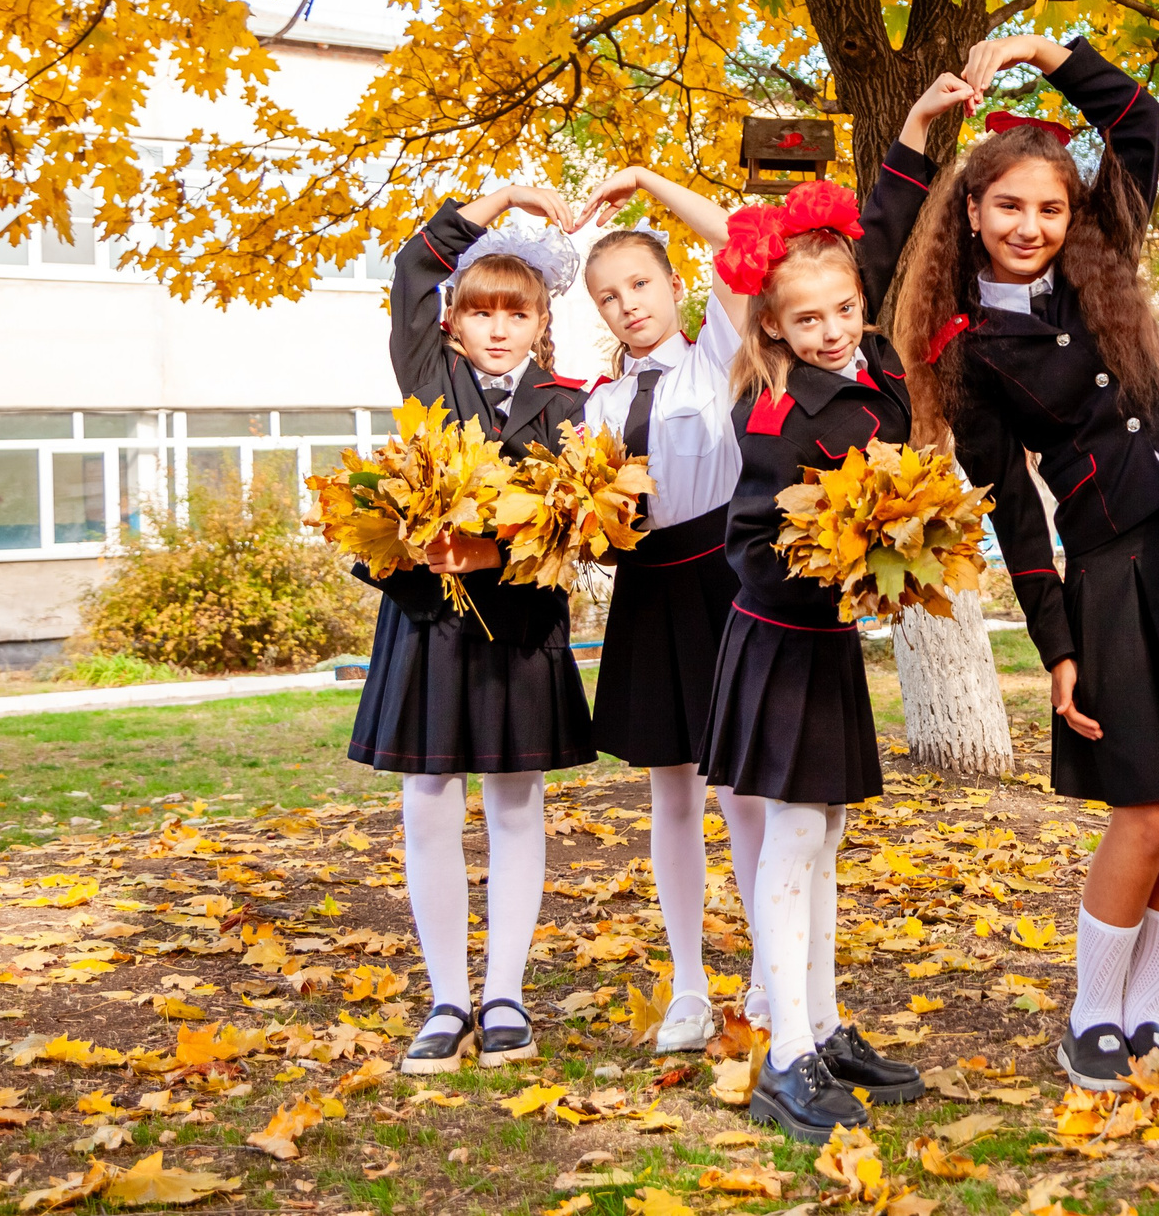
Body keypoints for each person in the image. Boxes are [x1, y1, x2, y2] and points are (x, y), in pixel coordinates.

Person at [885, 37, 1159, 1093]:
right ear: (971, 212)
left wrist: (1049, 54)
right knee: (1145, 803)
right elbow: (1012, 507)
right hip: (1118, 574)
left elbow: (1133, 126)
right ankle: (1091, 1017)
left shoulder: (1102, 266)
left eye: (1048, 210)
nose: (1031, 228)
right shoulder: (960, 349)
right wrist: (1055, 646)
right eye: (1009, 208)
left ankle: (1147, 1022)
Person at [347, 185, 596, 1076]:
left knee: (516, 803)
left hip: (519, 623)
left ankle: (505, 995)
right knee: (427, 803)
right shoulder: (428, 377)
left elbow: (578, 519)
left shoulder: (568, 406)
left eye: (515, 311)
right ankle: (446, 993)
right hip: (426, 620)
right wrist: (506, 202)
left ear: (539, 321)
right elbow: (412, 263)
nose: (497, 327)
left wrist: (497, 550)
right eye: (479, 309)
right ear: (451, 319)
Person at [706, 177, 926, 1142]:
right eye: (808, 318)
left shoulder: (875, 373)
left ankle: (827, 1026)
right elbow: (749, 545)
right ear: (775, 325)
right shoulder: (778, 412)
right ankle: (786, 1053)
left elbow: (876, 236)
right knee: (793, 842)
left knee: (827, 834)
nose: (832, 328)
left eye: (843, 309)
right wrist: (838, 563)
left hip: (829, 645)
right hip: (780, 645)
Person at [574, 168, 754, 1054]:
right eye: (608, 297)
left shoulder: (718, 355)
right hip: (647, 592)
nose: (626, 305)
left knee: (744, 792)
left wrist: (646, 179)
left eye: (640, 284)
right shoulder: (595, 404)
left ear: (676, 287)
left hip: (723, 581)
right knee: (671, 793)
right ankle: (688, 984)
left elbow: (742, 242)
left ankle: (768, 980)